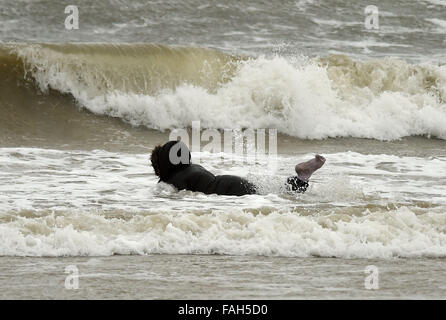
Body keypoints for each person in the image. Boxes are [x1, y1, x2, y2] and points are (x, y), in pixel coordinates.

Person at [150, 140, 325, 196]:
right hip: (230, 182)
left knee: (278, 194)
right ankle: (302, 176)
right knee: (277, 192)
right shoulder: (193, 167)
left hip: (229, 190)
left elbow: (165, 194)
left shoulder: (172, 180)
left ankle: (302, 176)